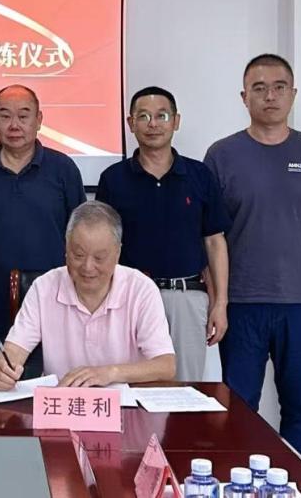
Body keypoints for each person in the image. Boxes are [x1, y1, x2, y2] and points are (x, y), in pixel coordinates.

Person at [203, 54, 301, 466]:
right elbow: (209, 231)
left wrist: (300, 252)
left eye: (279, 87)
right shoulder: (222, 154)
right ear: (244, 97)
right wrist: (218, 297)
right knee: (239, 406)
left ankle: (300, 486)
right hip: (241, 302)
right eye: (260, 88)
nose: (270, 96)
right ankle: (239, 485)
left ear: (293, 94)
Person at [96, 86, 231, 381]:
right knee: (131, 384)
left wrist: (220, 303)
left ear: (176, 121)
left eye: (161, 116)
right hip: (129, 298)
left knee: (185, 387)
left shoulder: (199, 176)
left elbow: (214, 241)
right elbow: (103, 245)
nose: (153, 124)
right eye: (143, 116)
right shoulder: (113, 179)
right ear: (131, 123)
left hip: (186, 297)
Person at [0, 85, 86, 376]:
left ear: (39, 120)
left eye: (23, 116)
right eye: (5, 116)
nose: (14, 125)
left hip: (57, 307)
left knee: (55, 391)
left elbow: (82, 237)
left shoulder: (63, 168)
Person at [0, 201, 176, 390]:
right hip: (61, 402)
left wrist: (109, 373)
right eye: (78, 255)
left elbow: (166, 365)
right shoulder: (44, 288)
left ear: (118, 252)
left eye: (99, 258)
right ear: (66, 249)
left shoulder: (141, 289)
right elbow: (14, 350)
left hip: (123, 403)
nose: (88, 267)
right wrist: (3, 369)